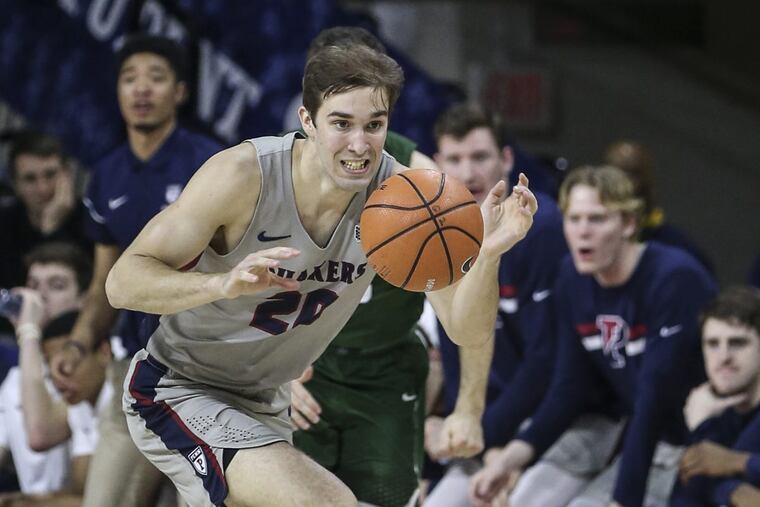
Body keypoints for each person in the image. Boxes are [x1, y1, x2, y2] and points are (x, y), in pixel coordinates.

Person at [108, 43, 537, 507]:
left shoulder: (400, 201)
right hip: (179, 385)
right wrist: (221, 284)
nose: (360, 144)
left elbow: (465, 328)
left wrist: (489, 253)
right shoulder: (242, 175)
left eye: (374, 125)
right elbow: (122, 282)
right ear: (308, 121)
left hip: (265, 401)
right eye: (341, 123)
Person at [289, 27, 487, 507]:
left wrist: (468, 409)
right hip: (305, 369)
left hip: (386, 367)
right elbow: (230, 293)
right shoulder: (273, 172)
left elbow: (469, 313)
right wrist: (271, 370)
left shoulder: (418, 182)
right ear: (311, 108)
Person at [469, 165, 716, 507]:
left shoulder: (674, 279)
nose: (582, 232)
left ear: (628, 224)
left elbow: (654, 398)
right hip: (638, 433)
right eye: (574, 219)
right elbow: (569, 387)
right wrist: (511, 458)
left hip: (695, 443)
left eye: (597, 220)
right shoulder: (573, 278)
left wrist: (623, 499)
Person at [52, 33, 223, 507]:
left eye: (156, 78)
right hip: (136, 372)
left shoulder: (212, 164)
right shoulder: (106, 175)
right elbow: (105, 282)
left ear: (180, 92)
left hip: (207, 373)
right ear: (118, 91)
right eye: (130, 79)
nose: (141, 90)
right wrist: (79, 343)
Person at [420, 103, 567, 506]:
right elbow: (455, 337)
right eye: (455, 159)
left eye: (480, 157)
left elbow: (546, 360)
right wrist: (452, 422)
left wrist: (491, 437)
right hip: (484, 429)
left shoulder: (544, 231)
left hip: (542, 426)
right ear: (438, 163)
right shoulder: (442, 232)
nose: (469, 173)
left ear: (506, 158)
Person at [670, 286, 760, 507]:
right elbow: (686, 496)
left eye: (737, 343)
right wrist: (732, 490)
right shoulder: (707, 407)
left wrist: (739, 463)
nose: (723, 357)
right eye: (712, 344)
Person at [0, 131, 92, 334]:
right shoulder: (4, 223)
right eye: (30, 179)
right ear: (15, 184)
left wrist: (53, 229)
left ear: (67, 173)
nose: (43, 188)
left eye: (50, 175)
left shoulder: (93, 222)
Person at [603, 140, 713, 274]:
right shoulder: (581, 246)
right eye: (615, 176)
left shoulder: (680, 250)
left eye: (633, 174)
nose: (626, 185)